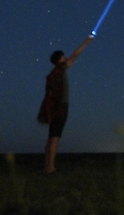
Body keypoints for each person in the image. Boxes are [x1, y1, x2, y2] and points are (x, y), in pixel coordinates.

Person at [37, 35, 93, 174]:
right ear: (59, 60)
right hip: (60, 107)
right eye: (63, 56)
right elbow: (75, 55)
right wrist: (86, 42)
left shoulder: (53, 73)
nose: (66, 57)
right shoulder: (60, 69)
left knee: (51, 137)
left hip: (54, 107)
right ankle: (50, 168)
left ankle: (47, 166)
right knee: (55, 137)